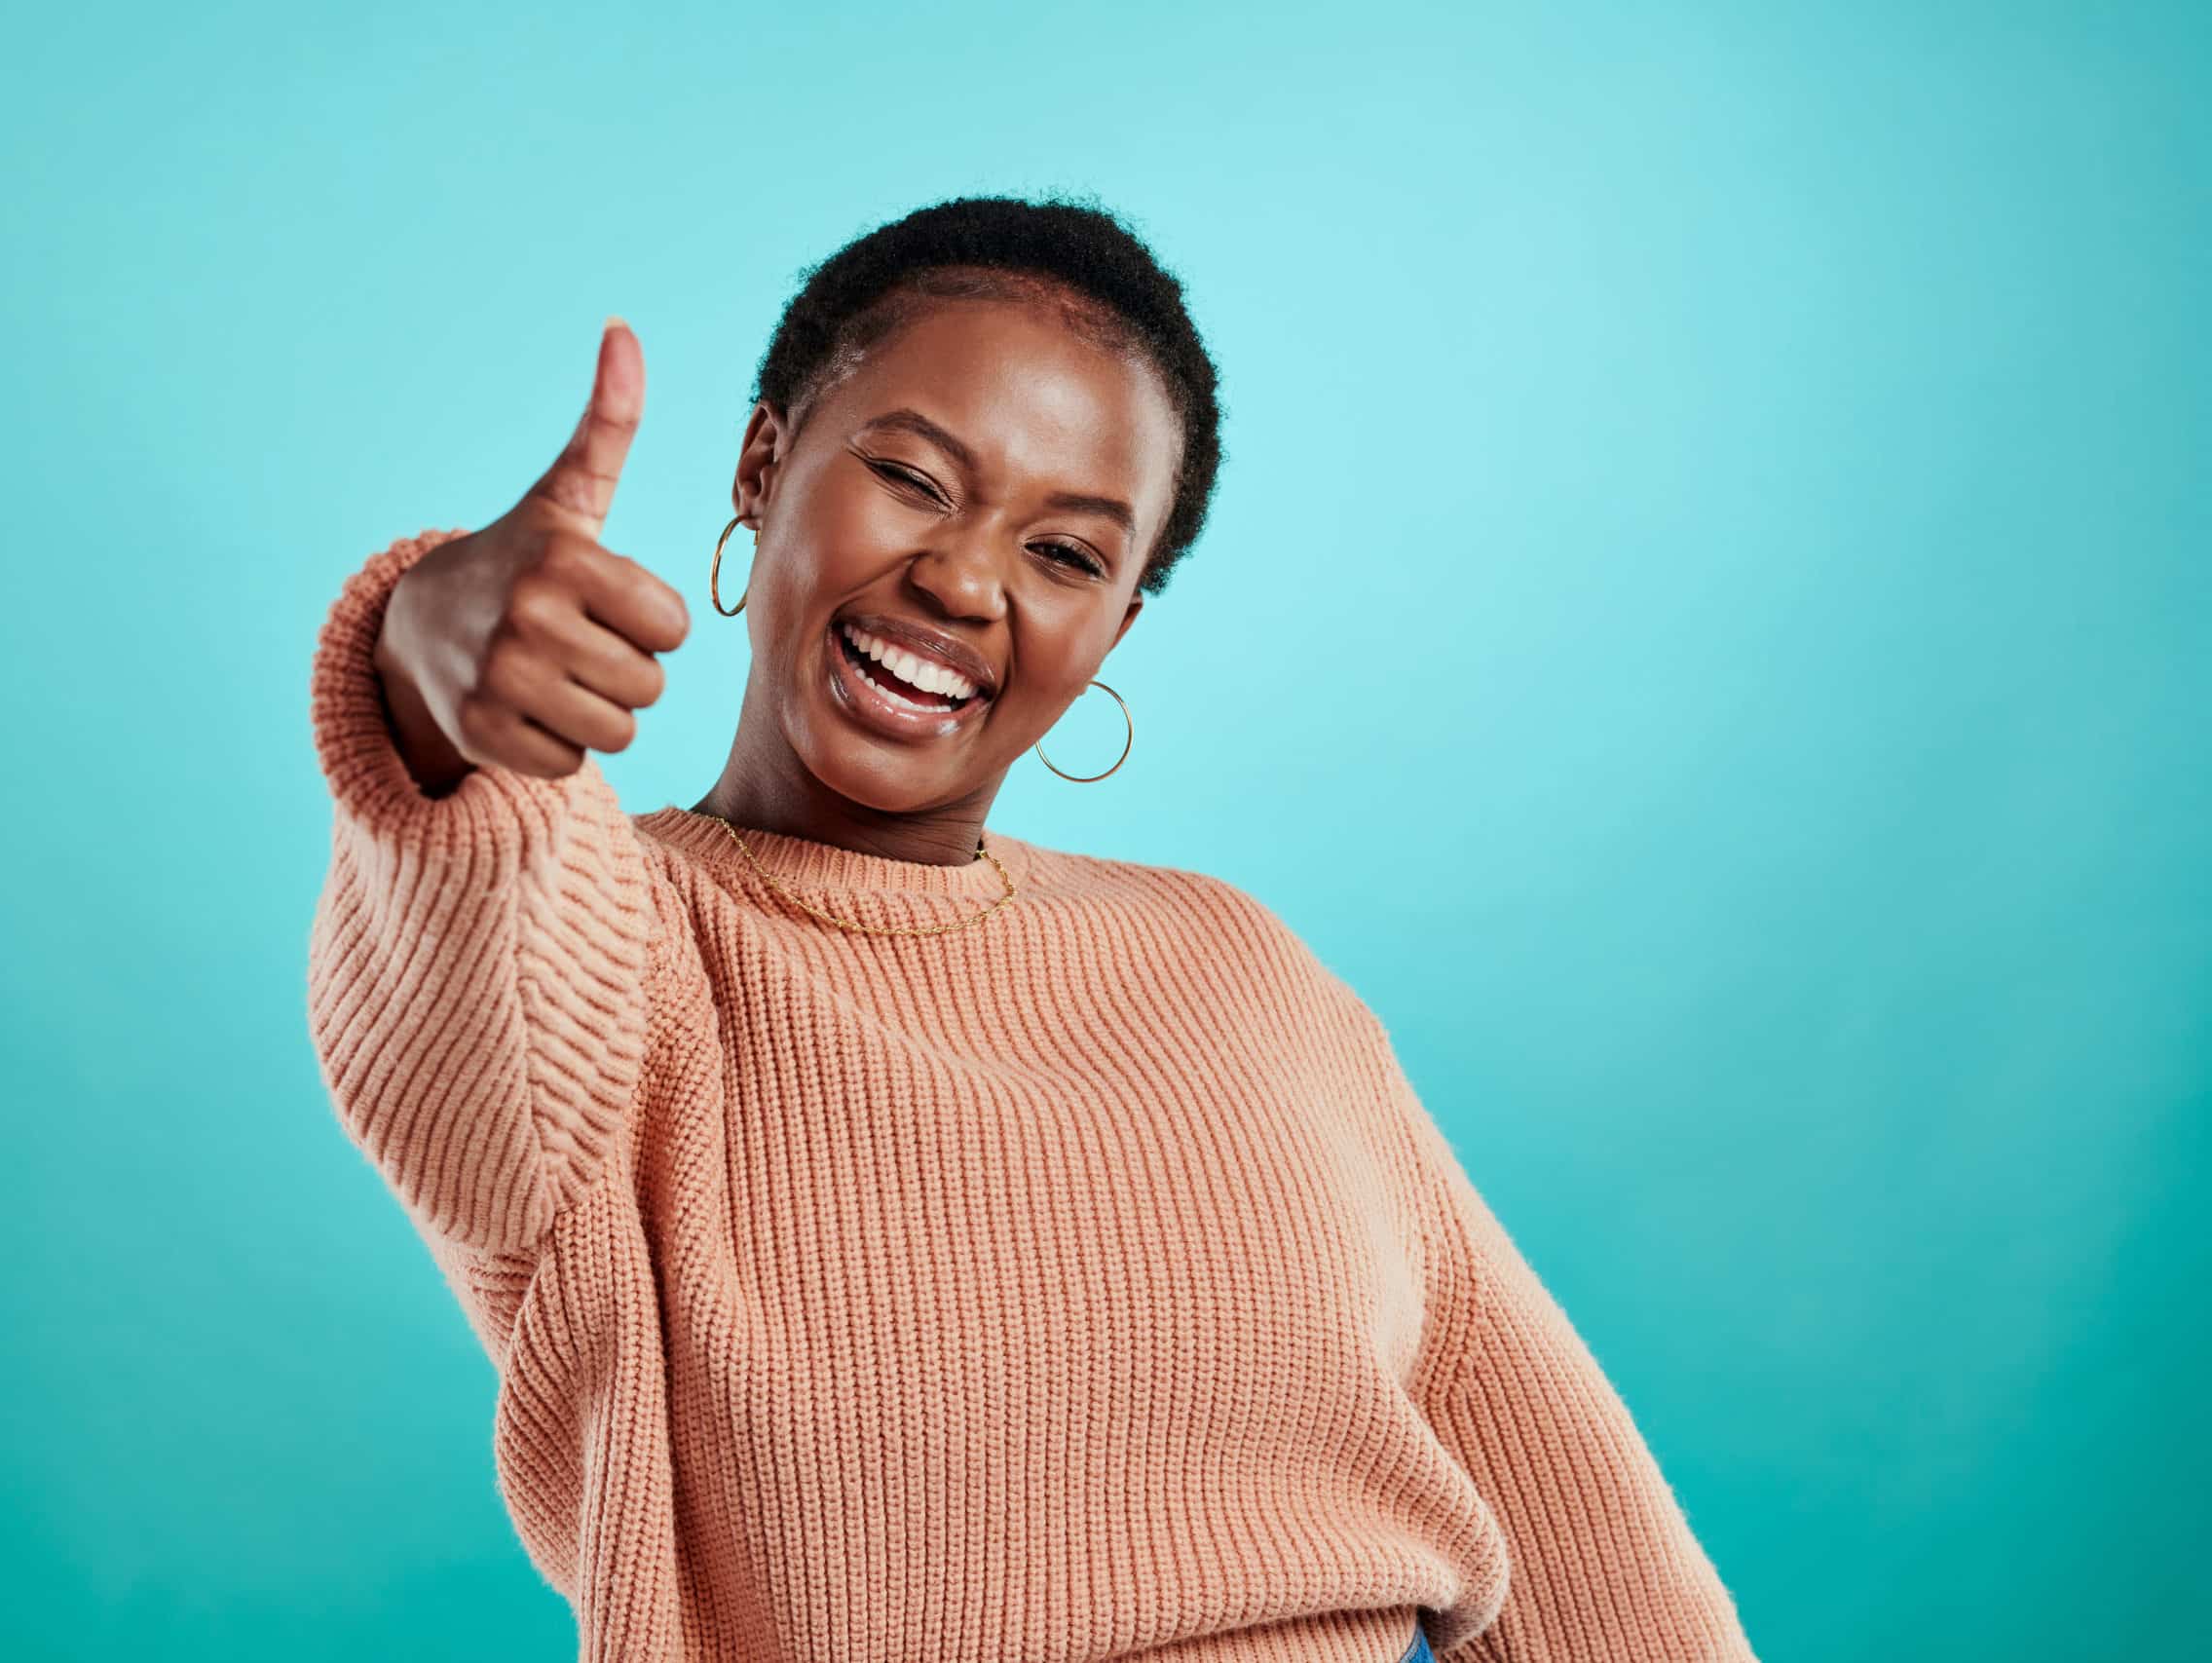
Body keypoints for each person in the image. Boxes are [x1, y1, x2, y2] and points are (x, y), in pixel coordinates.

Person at [305, 193, 1758, 1663]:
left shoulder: (1239, 970)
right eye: (913, 478)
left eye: (1067, 555)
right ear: (765, 465)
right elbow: (465, 937)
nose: (965, 582)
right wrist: (428, 653)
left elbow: (1599, 1565)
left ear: (1117, 629)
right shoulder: (621, 958)